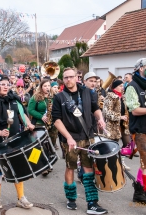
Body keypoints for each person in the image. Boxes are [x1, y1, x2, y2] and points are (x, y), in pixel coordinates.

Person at [52, 67, 107, 214]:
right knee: (70, 167)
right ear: (63, 79)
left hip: (87, 136)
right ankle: (71, 198)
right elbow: (56, 120)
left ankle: (92, 203)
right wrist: (68, 138)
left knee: (88, 168)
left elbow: (95, 108)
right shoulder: (59, 97)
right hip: (69, 138)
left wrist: (100, 119)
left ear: (77, 77)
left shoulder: (87, 92)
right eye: (65, 78)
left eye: (71, 77)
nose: (68, 80)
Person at [0, 74, 34, 209]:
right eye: (2, 84)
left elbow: (22, 115)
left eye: (7, 84)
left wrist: (28, 124)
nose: (5, 87)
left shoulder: (14, 99)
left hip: (15, 140)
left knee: (18, 168)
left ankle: (21, 198)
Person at [125, 58, 146, 203]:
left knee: (144, 163)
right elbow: (134, 110)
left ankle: (139, 190)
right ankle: (142, 190)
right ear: (141, 68)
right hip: (140, 130)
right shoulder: (132, 86)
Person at [28, 79, 59, 176]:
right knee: (39, 145)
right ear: (41, 87)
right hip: (39, 123)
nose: (47, 88)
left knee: (50, 145)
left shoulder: (54, 97)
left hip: (52, 124)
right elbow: (30, 110)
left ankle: (48, 162)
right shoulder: (36, 97)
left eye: (49, 86)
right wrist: (41, 116)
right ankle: (42, 166)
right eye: (45, 86)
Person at [103, 80, 130, 170]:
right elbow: (107, 113)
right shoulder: (110, 97)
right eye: (120, 86)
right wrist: (120, 117)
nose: (123, 87)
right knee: (113, 147)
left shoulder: (122, 97)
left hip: (123, 126)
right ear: (115, 87)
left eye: (123, 86)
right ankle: (112, 164)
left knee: (128, 144)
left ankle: (121, 161)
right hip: (113, 126)